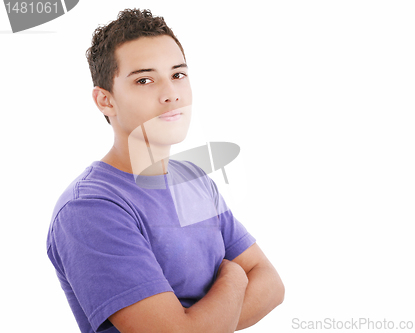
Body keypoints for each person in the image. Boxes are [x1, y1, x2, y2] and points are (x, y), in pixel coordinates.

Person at [46, 8, 284, 333]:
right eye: (144, 79)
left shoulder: (195, 181)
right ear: (105, 101)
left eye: (178, 74)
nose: (171, 93)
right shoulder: (91, 208)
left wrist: (200, 322)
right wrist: (234, 277)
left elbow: (271, 285)